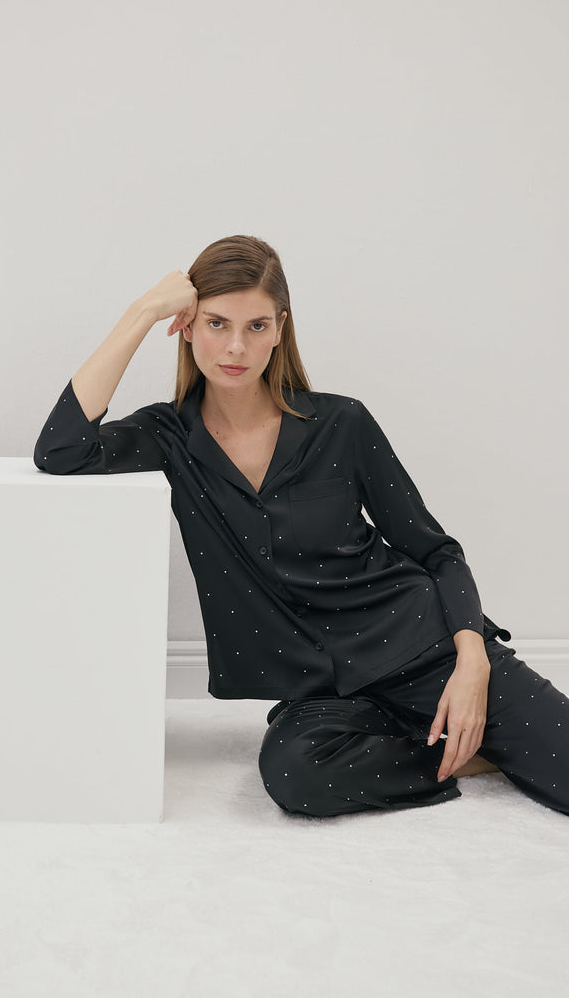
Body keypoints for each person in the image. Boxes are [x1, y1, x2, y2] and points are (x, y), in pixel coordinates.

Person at [34, 234, 569, 817]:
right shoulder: (169, 438)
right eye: (216, 323)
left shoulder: (341, 422)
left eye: (257, 326)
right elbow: (61, 449)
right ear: (186, 326)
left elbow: (435, 550)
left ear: (280, 328)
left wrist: (472, 660)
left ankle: (468, 733)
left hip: (424, 648)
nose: (236, 346)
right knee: (295, 776)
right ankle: (469, 754)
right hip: (322, 689)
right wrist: (142, 311)